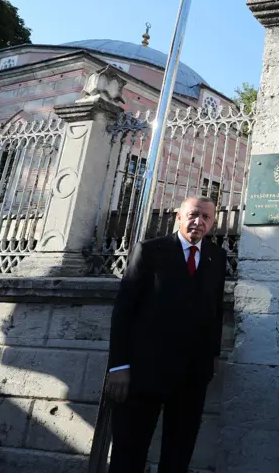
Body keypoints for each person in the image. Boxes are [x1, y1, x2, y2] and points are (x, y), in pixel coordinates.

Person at [105, 197, 226, 473]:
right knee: (129, 453)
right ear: (179, 217)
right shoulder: (150, 251)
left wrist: (211, 359)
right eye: (193, 215)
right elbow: (124, 312)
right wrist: (119, 366)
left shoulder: (216, 256)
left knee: (178, 455)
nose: (199, 222)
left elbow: (215, 312)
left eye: (206, 217)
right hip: (143, 373)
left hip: (191, 378)